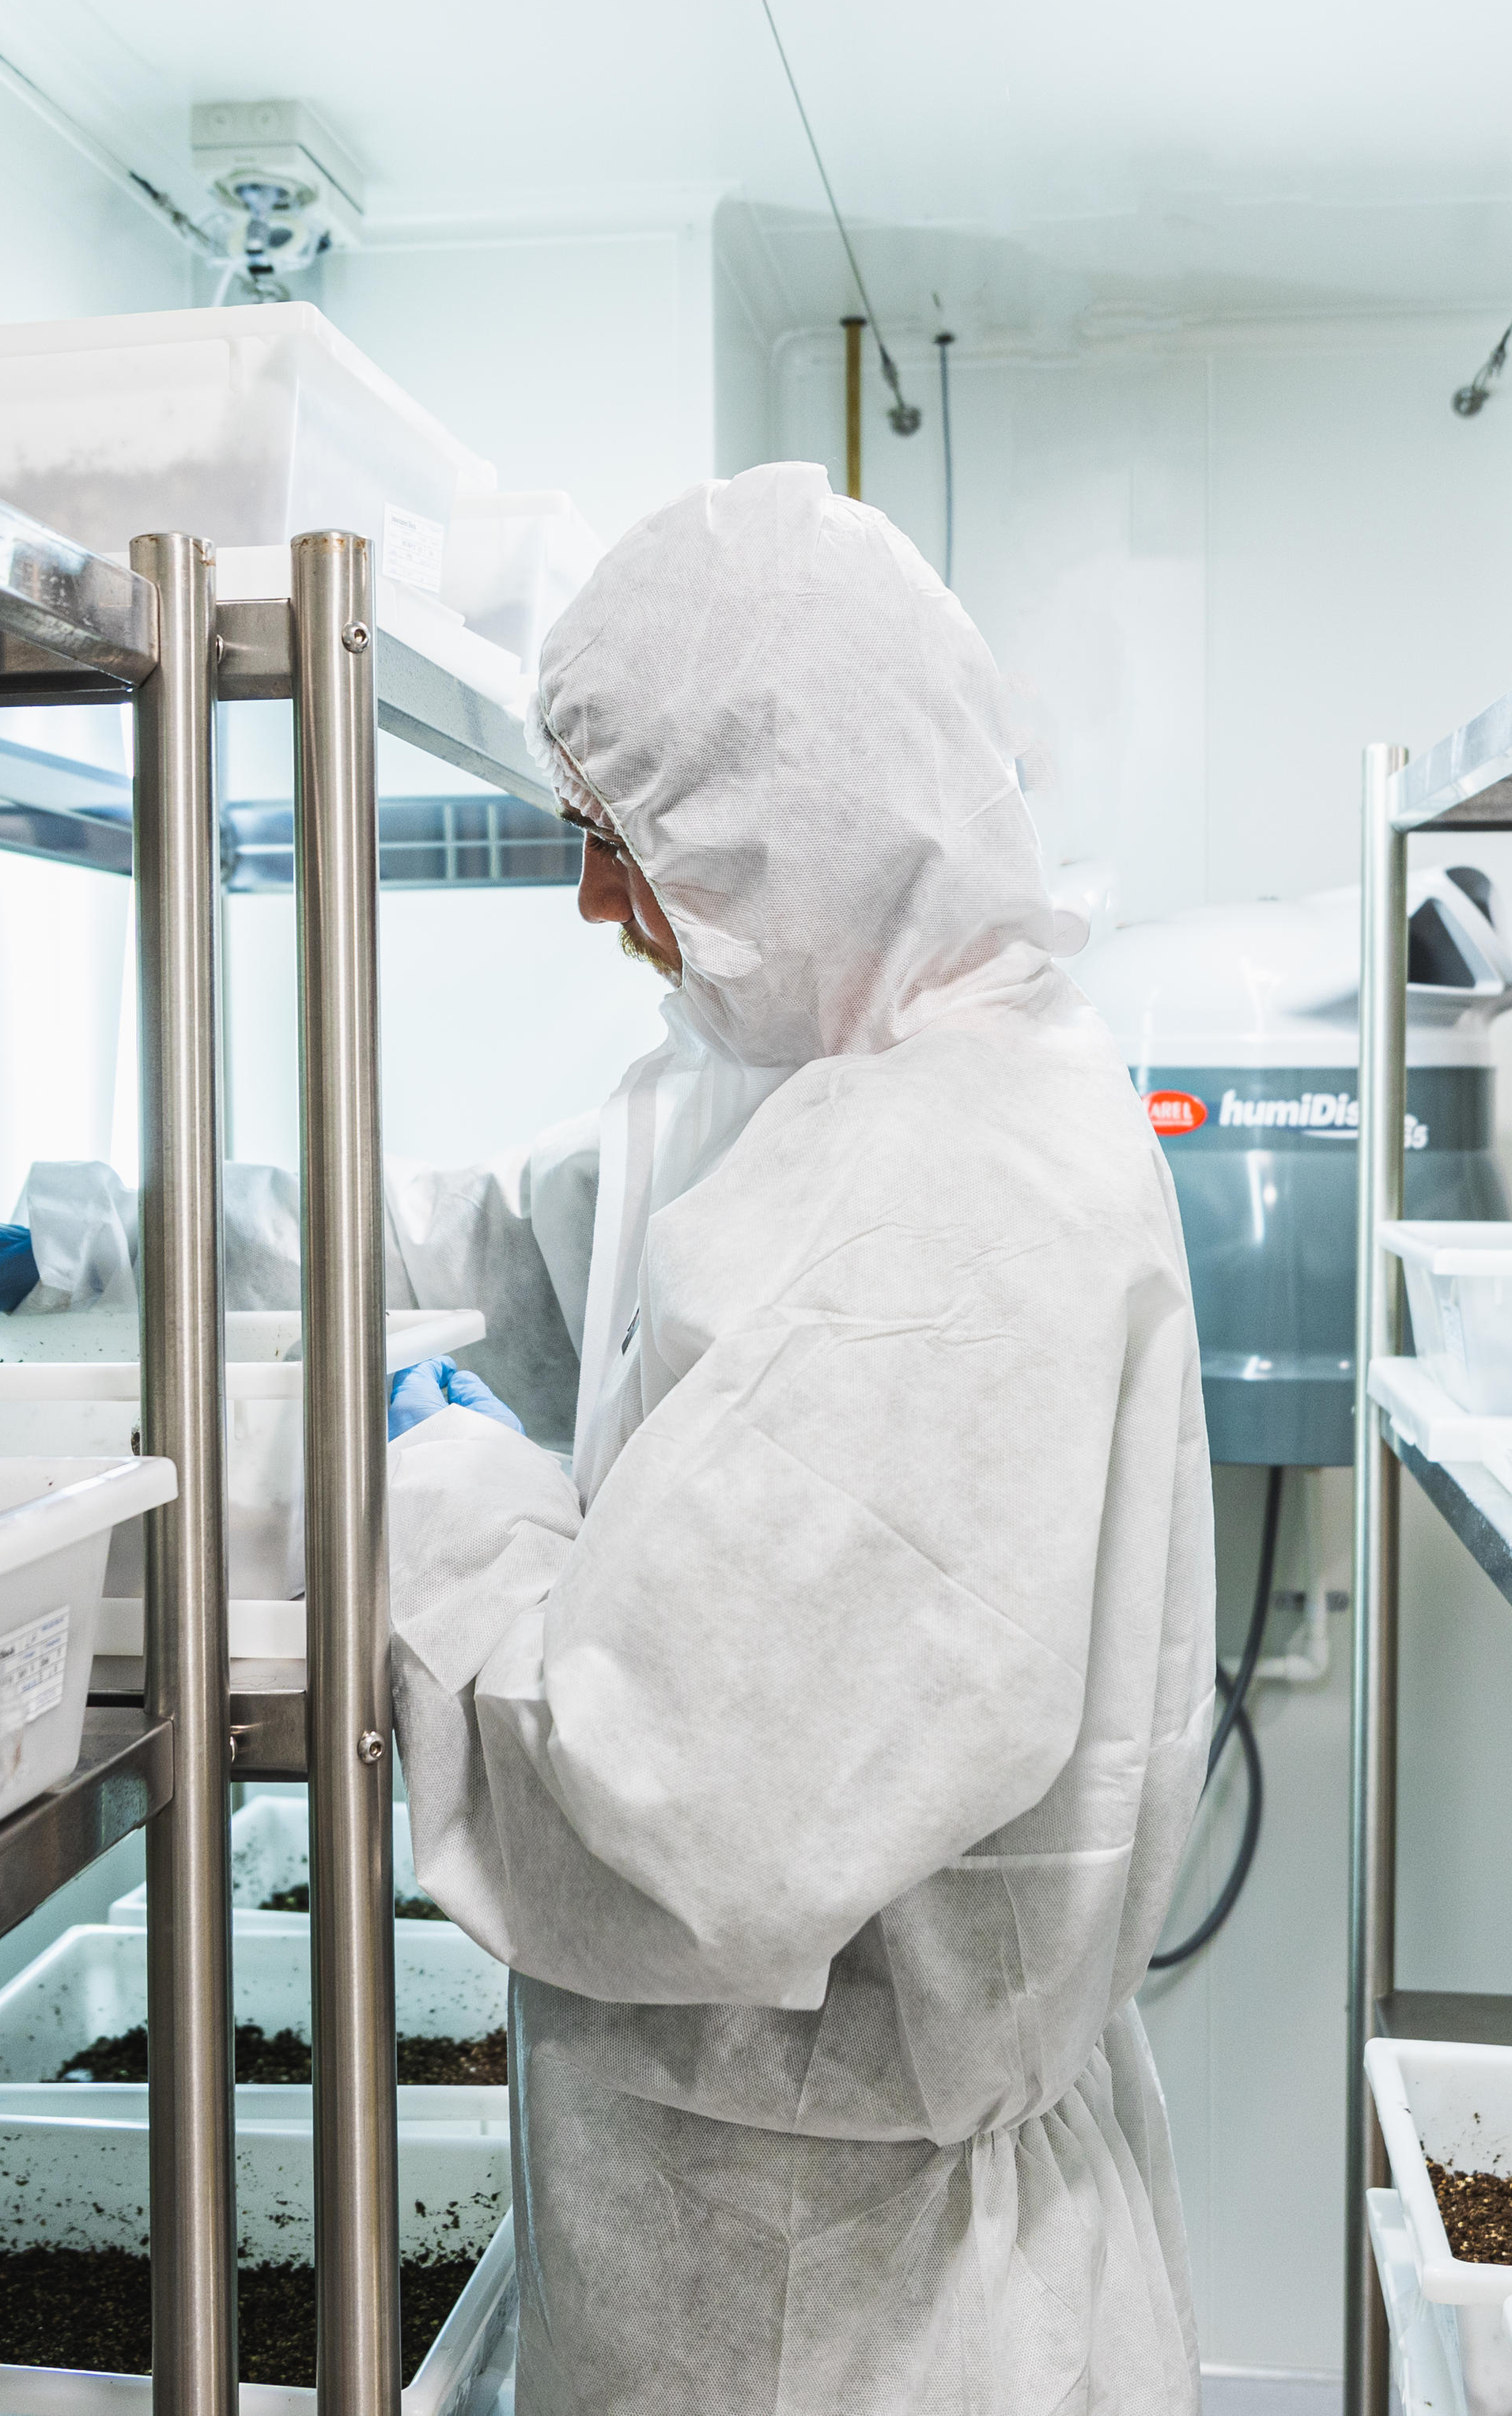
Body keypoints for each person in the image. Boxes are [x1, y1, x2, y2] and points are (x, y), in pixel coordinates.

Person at [380, 463, 1215, 2414]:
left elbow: (663, 1801)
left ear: (793, 813)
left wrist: (429, 1478)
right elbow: (501, 1249)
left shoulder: (945, 1201)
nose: (596, 892)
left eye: (623, 833)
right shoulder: (803, 1085)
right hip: (741, 2213)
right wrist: (100, 1244)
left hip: (838, 2296)